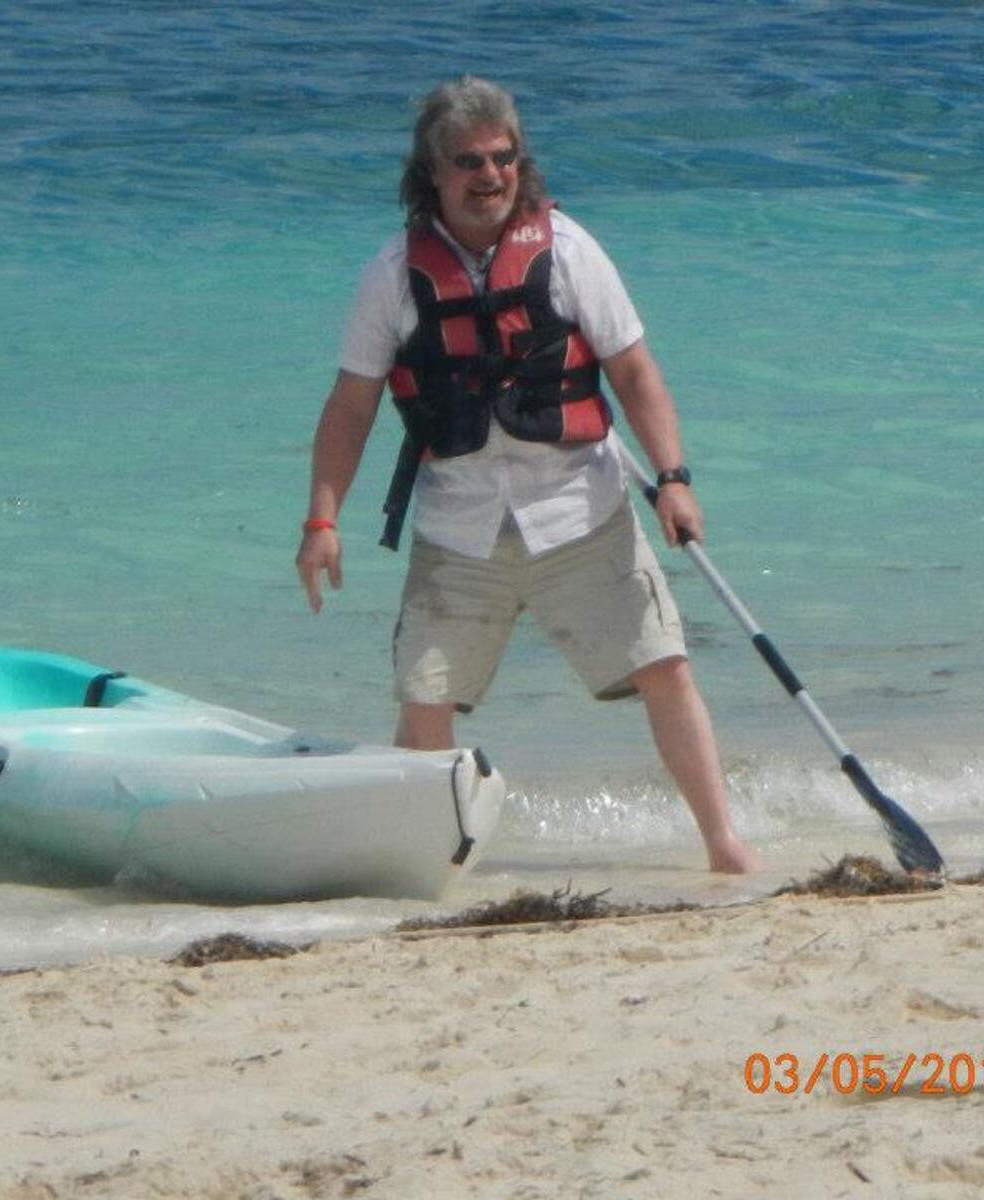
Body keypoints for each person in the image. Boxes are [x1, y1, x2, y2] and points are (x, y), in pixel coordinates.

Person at [295, 75, 758, 873]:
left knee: (665, 666)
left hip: (583, 510)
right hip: (459, 528)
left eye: (503, 158)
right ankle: (430, 868)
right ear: (431, 174)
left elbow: (636, 374)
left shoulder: (571, 249)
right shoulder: (391, 275)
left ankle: (724, 846)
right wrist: (322, 522)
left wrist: (674, 477)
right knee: (425, 700)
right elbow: (350, 407)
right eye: (469, 161)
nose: (490, 176)